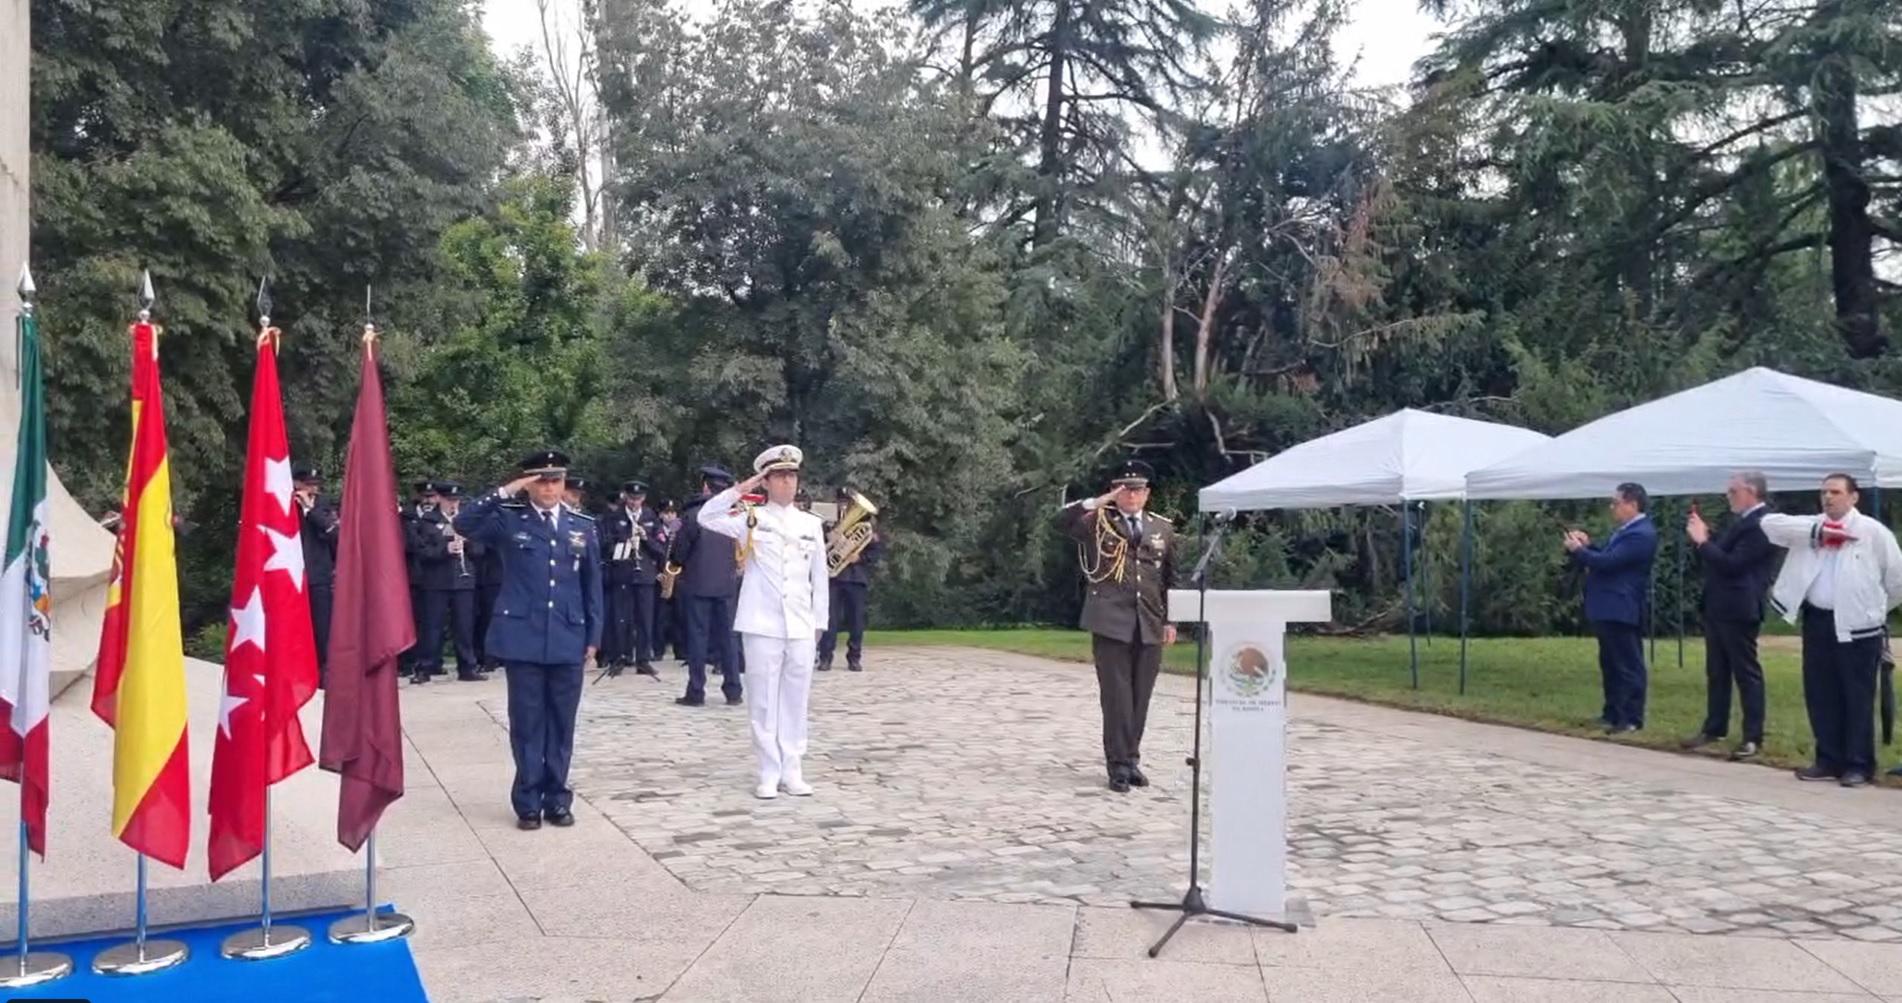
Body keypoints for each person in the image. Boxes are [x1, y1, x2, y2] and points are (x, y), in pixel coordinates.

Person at [454, 450, 604, 829]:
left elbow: (592, 587)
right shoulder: (508, 520)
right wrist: (507, 489)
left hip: (569, 635)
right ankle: (528, 801)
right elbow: (463, 521)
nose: (550, 487)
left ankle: (557, 798)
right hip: (523, 637)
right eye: (542, 480)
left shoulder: (582, 525)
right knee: (527, 722)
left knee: (562, 723)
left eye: (556, 480)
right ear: (529, 483)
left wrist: (594, 635)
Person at [699, 445, 829, 799]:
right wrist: (740, 489)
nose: (787, 482)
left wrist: (820, 623)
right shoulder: (751, 518)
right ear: (767, 481)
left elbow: (820, 577)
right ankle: (768, 770)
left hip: (801, 624)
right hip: (761, 622)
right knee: (763, 700)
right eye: (779, 476)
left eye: (792, 475)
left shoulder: (811, 525)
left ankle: (793, 768)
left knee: (796, 699)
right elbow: (706, 518)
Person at [1759, 474, 1902, 788]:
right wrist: (1818, 531)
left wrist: (1873, 609)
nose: (1828, 497)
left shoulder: (1873, 533)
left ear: (1853, 497)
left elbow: (1896, 581)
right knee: (1821, 693)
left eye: (1835, 492)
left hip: (1859, 627)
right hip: (1818, 621)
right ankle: (1828, 758)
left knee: (1856, 697)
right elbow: (1768, 525)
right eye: (1824, 492)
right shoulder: (1809, 528)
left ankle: (1858, 764)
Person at [1057, 459, 1177, 793]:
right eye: (1123, 489)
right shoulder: (1097, 522)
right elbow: (1060, 521)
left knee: (1141, 697)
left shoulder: (1161, 529)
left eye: (1136, 489)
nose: (1130, 496)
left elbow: (1170, 578)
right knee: (1116, 697)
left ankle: (1132, 759)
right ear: (1115, 492)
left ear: (1147, 494)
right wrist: (1097, 502)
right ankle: (1118, 766)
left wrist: (1171, 619)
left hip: (1149, 622)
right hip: (1111, 622)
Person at [1683, 473, 1779, 760]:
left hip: (1740, 606)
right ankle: (1715, 726)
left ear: (1751, 491)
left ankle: (1752, 736)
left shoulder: (1762, 523)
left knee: (1745, 672)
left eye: (1732, 490)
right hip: (1719, 605)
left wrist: (1702, 542)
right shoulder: (1741, 522)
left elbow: (1733, 564)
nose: (1728, 495)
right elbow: (1720, 555)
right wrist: (1706, 537)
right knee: (1717, 670)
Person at [1564, 483, 1658, 735]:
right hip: (1608, 605)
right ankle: (1612, 712)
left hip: (1622, 605)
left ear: (1632, 504)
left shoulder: (1641, 534)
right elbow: (1606, 555)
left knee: (1628, 663)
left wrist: (1579, 551)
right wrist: (1588, 546)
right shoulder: (1625, 531)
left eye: (1616, 502)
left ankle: (1631, 717)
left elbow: (1608, 563)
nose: (1612, 507)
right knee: (1611, 662)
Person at [674, 467, 743, 706]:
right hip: (726, 584)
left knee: (697, 639)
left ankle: (696, 690)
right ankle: (733, 689)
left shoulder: (694, 515)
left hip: (698, 584)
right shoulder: (735, 515)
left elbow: (679, 552)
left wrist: (676, 563)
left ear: (705, 487)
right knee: (728, 639)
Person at [414, 482, 485, 683]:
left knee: (464, 626)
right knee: (432, 626)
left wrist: (468, 542)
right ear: (440, 499)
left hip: (463, 582)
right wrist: (445, 550)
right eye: (449, 500)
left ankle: (467, 667)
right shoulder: (428, 521)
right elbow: (421, 552)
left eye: (456, 500)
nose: (453, 504)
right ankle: (425, 667)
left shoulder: (468, 520)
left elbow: (480, 551)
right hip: (436, 582)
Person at [602, 480, 665, 678]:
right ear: (625, 497)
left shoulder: (650, 517)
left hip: (644, 574)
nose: (634, 502)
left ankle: (644, 659)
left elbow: (660, 549)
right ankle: (620, 657)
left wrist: (646, 538)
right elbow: (605, 545)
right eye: (631, 498)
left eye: (638, 499)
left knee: (645, 619)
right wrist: (624, 543)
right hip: (622, 572)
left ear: (643, 499)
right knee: (621, 618)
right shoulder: (615, 517)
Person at [818, 487, 882, 673]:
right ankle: (825, 657)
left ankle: (854, 658)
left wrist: (859, 558)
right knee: (829, 619)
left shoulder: (866, 525)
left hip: (856, 578)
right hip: (834, 577)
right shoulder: (827, 525)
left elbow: (876, 552)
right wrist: (829, 538)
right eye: (842, 502)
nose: (844, 506)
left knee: (856, 621)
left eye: (849, 503)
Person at [293, 466, 339, 685]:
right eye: (309, 484)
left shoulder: (322, 505)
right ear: (297, 484)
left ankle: (325, 673)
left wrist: (310, 511)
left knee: (322, 627)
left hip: (319, 574)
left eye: (316, 485)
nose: (314, 489)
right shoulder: (286, 504)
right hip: (292, 575)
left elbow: (333, 533)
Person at [402, 480, 441, 679]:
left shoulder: (440, 517)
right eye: (425, 496)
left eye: (432, 496)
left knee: (432, 622)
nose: (428, 500)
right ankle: (411, 662)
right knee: (413, 620)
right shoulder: (407, 516)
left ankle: (434, 661)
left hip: (435, 574)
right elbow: (408, 544)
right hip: (413, 575)